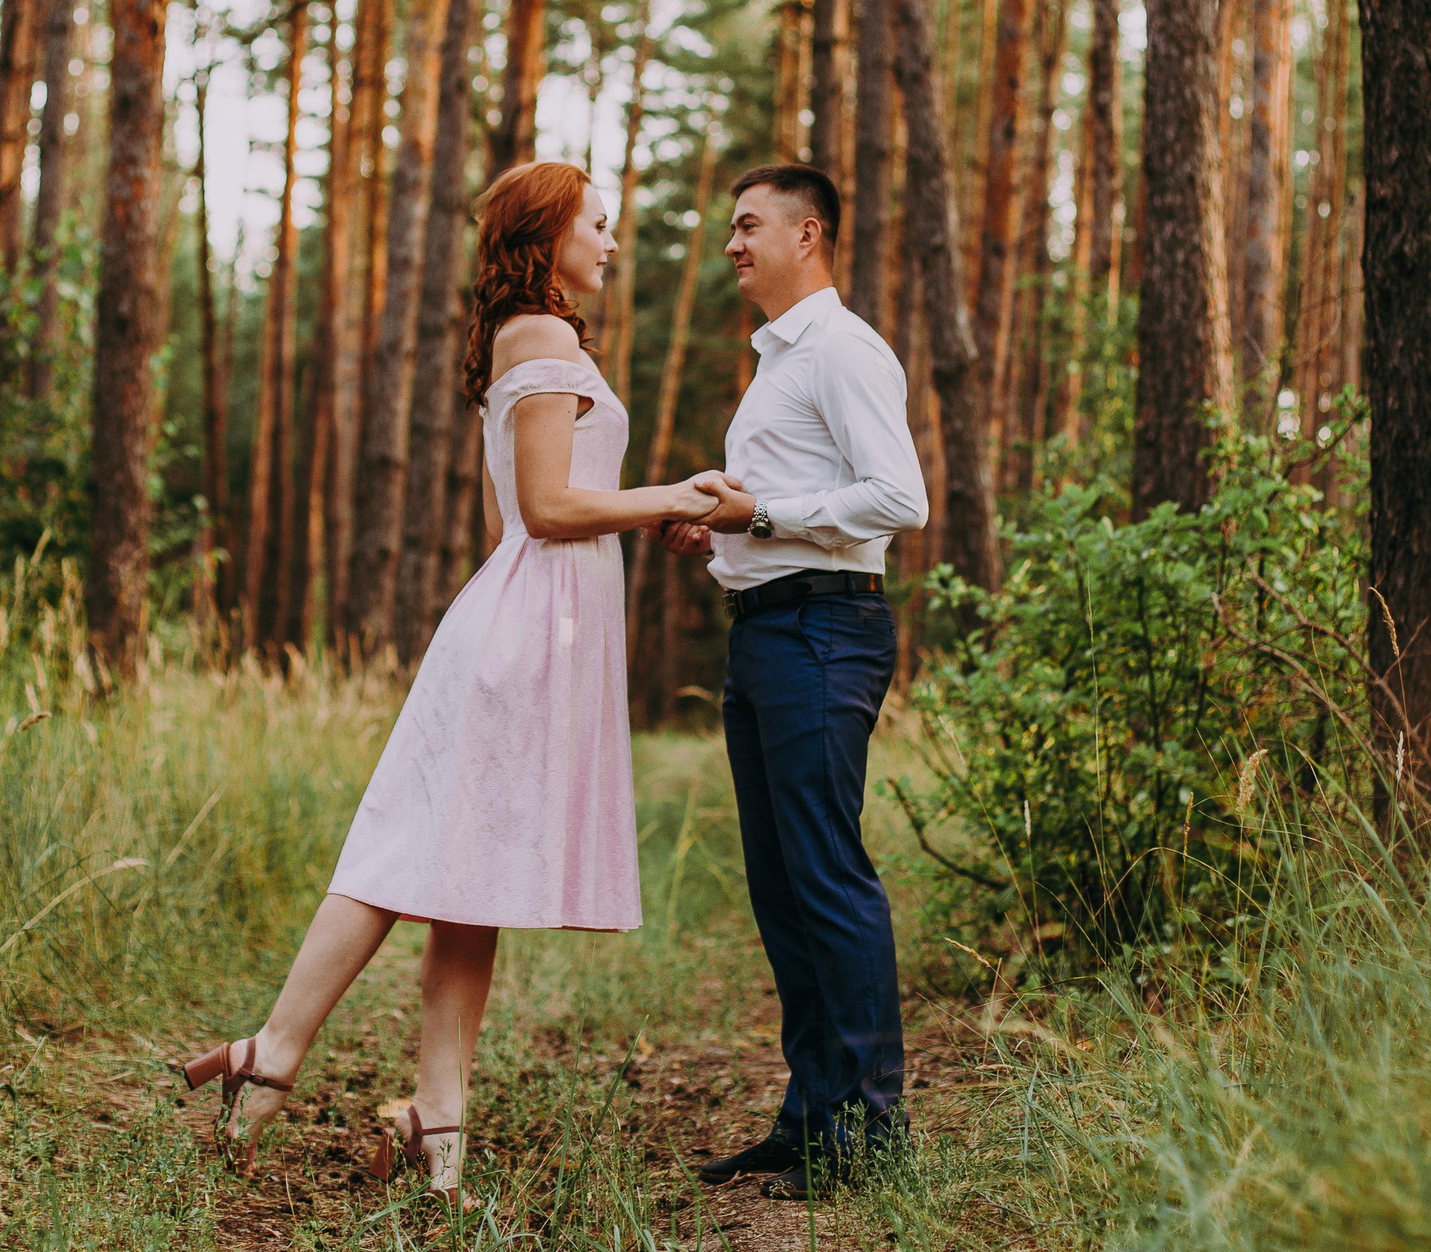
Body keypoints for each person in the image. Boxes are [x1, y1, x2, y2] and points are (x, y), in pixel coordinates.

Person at [179, 161, 725, 1204]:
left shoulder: (533, 338)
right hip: (524, 634)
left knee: (466, 885)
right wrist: (672, 493)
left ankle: (435, 1127)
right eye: (598, 226)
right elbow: (552, 509)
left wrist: (648, 519)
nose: (611, 243)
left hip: (528, 622)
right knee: (406, 857)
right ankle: (279, 1052)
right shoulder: (546, 336)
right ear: (548, 232)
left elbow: (513, 520)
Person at [656, 162, 929, 1200]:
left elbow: (896, 498)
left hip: (824, 633)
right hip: (769, 629)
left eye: (746, 225)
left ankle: (867, 1133)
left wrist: (758, 516)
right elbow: (783, 506)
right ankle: (811, 1120)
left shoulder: (841, 349)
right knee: (781, 888)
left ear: (806, 233)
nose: (730, 244)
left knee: (824, 876)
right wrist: (720, 535)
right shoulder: (775, 362)